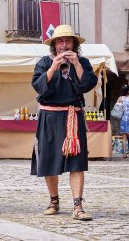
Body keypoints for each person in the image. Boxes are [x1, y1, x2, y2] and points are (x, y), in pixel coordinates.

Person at [31, 24, 98, 221]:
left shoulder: (83, 62)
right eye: (60, 41)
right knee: (49, 160)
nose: (64, 45)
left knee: (76, 163)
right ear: (54, 45)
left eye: (68, 41)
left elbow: (86, 85)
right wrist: (53, 67)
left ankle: (78, 206)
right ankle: (54, 201)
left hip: (72, 116)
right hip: (49, 117)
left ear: (75, 44)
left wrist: (76, 65)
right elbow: (38, 86)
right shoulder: (44, 62)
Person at [118, 84, 129, 158]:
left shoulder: (120, 98)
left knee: (124, 137)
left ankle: (124, 154)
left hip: (123, 119)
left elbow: (117, 107)